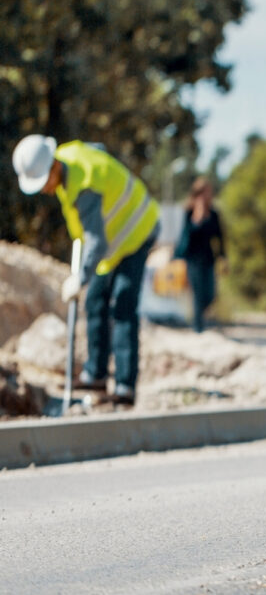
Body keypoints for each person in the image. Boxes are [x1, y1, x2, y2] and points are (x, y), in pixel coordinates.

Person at [12, 135, 160, 406]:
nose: (44, 189)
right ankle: (96, 375)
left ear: (54, 167)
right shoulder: (68, 157)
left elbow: (97, 240)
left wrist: (80, 276)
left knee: (123, 304)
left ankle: (126, 387)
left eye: (43, 181)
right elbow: (99, 150)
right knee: (94, 301)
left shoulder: (84, 186)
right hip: (113, 245)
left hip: (137, 230)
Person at [175, 176, 226, 332]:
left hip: (208, 259)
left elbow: (220, 237)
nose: (208, 196)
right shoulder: (189, 213)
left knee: (210, 294)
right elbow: (186, 236)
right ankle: (198, 328)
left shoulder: (214, 214)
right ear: (197, 194)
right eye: (205, 192)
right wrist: (197, 220)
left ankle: (199, 322)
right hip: (193, 260)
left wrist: (223, 257)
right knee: (197, 295)